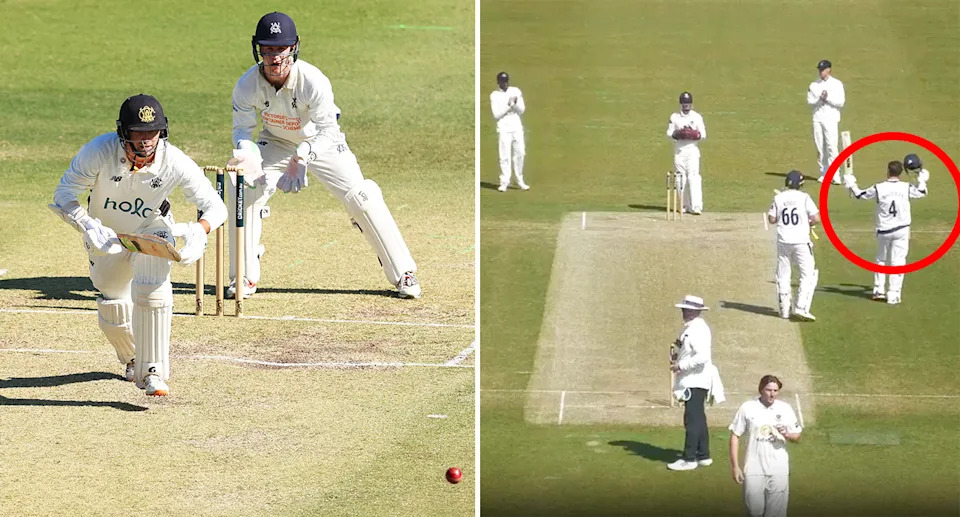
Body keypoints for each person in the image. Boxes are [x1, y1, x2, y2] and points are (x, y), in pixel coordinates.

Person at [230, 11, 421, 300]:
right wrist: (248, 154)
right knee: (241, 189)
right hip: (276, 142)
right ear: (258, 49)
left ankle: (403, 273)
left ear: (293, 48)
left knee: (362, 196)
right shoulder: (246, 85)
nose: (274, 57)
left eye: (280, 49)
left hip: (321, 144)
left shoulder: (313, 80)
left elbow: (329, 130)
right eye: (267, 49)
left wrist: (303, 156)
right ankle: (244, 275)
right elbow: (242, 131)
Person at [50, 94, 226, 396]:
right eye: (138, 133)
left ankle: (154, 371)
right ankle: (134, 359)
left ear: (163, 132)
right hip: (107, 236)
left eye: (152, 132)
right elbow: (63, 194)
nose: (146, 141)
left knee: (151, 289)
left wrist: (199, 229)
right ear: (123, 133)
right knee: (113, 307)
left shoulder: (174, 161)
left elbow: (216, 207)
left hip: (151, 229)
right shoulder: (99, 151)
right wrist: (87, 224)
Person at [844, 160, 929, 304]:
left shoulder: (879, 188)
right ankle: (894, 294)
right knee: (898, 262)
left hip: (884, 230)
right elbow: (921, 193)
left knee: (881, 260)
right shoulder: (906, 187)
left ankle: (879, 290)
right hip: (902, 229)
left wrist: (851, 184)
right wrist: (922, 181)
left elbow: (860, 195)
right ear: (900, 173)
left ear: (888, 171)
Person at [729, 375, 802, 517]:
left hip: (778, 469)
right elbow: (735, 436)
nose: (772, 394)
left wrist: (787, 434)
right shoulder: (748, 408)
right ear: (761, 390)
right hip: (753, 469)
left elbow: (797, 436)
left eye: (775, 390)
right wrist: (735, 466)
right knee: (754, 511)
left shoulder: (785, 409)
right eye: (769, 390)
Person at [667, 295, 725, 471]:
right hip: (693, 379)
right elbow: (688, 350)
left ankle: (689, 458)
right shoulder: (691, 328)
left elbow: (702, 357)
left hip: (695, 380)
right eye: (683, 309)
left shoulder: (698, 329)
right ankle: (703, 455)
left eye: (687, 309)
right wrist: (677, 356)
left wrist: (680, 365)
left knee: (692, 419)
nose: (683, 312)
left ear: (696, 311)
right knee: (698, 418)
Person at [767, 171, 821, 321]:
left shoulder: (778, 198)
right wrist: (808, 223)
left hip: (783, 241)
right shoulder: (804, 198)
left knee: (783, 275)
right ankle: (801, 307)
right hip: (801, 241)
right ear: (801, 184)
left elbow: (771, 219)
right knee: (807, 274)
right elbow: (816, 218)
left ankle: (784, 311)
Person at [666, 92, 706, 214]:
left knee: (693, 177)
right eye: (684, 104)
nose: (686, 106)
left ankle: (696, 206)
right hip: (679, 152)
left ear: (691, 104)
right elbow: (669, 134)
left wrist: (693, 134)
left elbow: (703, 135)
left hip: (692, 151)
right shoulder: (674, 117)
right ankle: (683, 205)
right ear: (681, 104)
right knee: (679, 179)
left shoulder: (697, 117)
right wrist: (678, 134)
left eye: (688, 104)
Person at [807, 59, 846, 185]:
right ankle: (824, 173)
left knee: (831, 146)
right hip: (818, 118)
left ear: (829, 70)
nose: (821, 72)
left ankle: (835, 174)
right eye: (819, 70)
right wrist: (820, 99)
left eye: (823, 70)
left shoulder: (837, 84)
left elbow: (840, 102)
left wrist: (827, 98)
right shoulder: (814, 85)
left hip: (831, 118)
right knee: (820, 146)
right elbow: (810, 101)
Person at [490, 71, 528, 192]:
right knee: (504, 155)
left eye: (506, 81)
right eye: (502, 82)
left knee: (520, 153)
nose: (505, 84)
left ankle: (519, 180)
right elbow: (496, 115)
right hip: (503, 128)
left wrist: (515, 105)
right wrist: (509, 106)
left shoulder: (515, 91)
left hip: (516, 127)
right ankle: (504, 182)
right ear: (498, 82)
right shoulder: (494, 95)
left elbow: (521, 110)